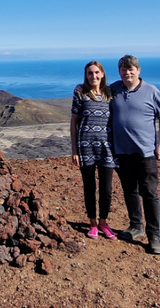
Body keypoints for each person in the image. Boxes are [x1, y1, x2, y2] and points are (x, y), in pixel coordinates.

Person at [109, 55, 160, 254]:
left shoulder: (151, 91)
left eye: (131, 69)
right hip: (122, 151)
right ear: (119, 71)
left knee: (149, 193)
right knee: (129, 191)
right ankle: (136, 226)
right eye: (124, 69)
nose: (128, 72)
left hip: (145, 152)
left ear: (138, 70)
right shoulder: (114, 90)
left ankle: (154, 236)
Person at [70, 61, 118, 240]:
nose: (94, 76)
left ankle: (103, 222)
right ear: (86, 75)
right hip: (86, 147)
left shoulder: (109, 93)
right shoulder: (80, 92)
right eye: (90, 73)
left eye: (97, 73)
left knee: (106, 188)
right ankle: (92, 224)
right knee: (89, 187)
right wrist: (74, 149)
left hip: (107, 148)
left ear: (103, 74)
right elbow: (74, 121)